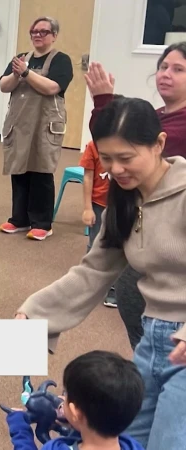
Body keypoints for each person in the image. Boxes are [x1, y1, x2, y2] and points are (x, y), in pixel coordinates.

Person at [14, 96, 186, 450]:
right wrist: (36, 311)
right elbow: (93, 271)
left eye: (126, 158)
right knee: (126, 441)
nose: (116, 169)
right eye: (107, 158)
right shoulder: (125, 200)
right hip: (152, 340)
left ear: (159, 144)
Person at [85, 43, 186, 349]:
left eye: (178, 69)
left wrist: (105, 103)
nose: (165, 74)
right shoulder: (154, 116)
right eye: (163, 66)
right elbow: (111, 141)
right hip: (137, 223)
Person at [0, 16, 73, 241]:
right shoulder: (21, 58)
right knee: (19, 169)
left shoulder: (61, 60)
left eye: (43, 31)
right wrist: (17, 72)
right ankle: (19, 219)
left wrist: (26, 73)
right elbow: (4, 85)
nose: (38, 35)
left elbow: (52, 87)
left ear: (54, 35)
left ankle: (42, 223)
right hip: (19, 123)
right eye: (34, 31)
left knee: (41, 171)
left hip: (44, 124)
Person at [5, 351, 144, 450]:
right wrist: (77, 423)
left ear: (75, 412)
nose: (61, 399)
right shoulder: (133, 445)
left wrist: (19, 427)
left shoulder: (55, 448)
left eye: (66, 395)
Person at [79, 140, 116, 307]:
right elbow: (87, 177)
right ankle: (90, 283)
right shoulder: (93, 145)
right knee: (95, 245)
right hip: (98, 204)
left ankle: (114, 287)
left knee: (120, 247)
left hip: (121, 205)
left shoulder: (128, 141)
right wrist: (87, 208)